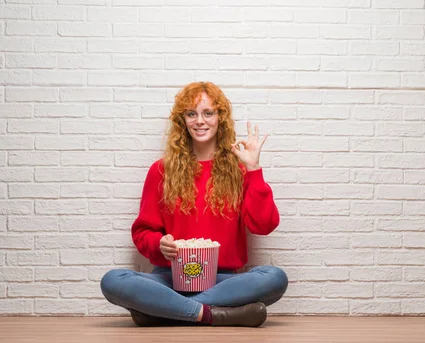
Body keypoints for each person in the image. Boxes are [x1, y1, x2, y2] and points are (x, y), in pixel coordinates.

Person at [100, 82, 288, 327]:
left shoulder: (239, 171)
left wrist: (253, 169)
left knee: (274, 277)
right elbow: (142, 232)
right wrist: (159, 244)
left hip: (223, 281)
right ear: (183, 121)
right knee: (114, 280)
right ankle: (210, 314)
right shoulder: (161, 171)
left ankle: (165, 310)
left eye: (208, 113)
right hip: (169, 279)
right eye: (192, 114)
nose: (200, 121)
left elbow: (263, 225)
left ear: (220, 118)